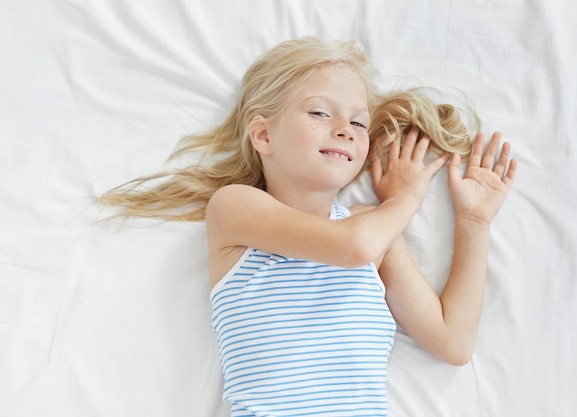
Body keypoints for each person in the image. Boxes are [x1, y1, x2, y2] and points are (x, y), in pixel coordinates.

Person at [99, 37, 516, 417]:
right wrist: (404, 200)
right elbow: (353, 248)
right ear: (263, 135)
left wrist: (474, 222)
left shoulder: (373, 230)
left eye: (358, 123)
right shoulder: (236, 209)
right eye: (320, 112)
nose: (345, 130)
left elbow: (453, 342)